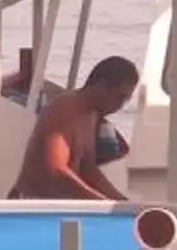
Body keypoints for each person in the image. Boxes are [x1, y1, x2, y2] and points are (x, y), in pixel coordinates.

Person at [10, 55, 137, 202]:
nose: (120, 105)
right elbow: (57, 170)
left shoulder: (92, 115)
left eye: (126, 100)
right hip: (31, 204)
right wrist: (101, 202)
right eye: (119, 97)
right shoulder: (63, 110)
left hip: (60, 205)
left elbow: (89, 169)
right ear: (101, 86)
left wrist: (120, 201)